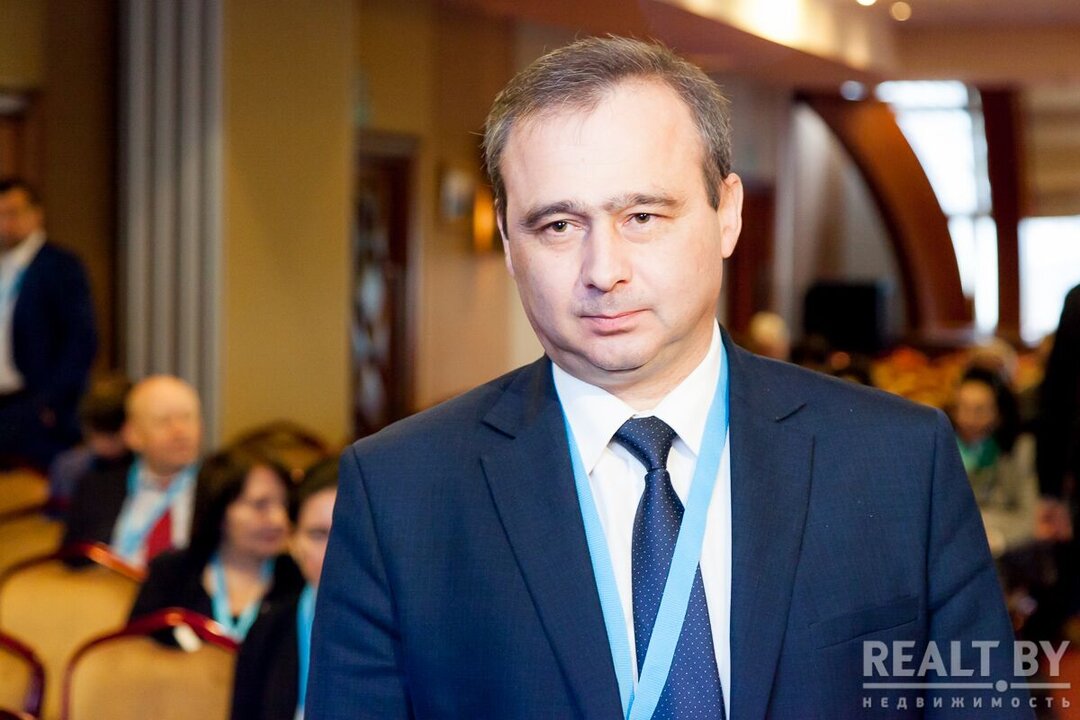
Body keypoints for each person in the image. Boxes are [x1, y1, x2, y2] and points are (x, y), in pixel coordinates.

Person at [308, 37, 1028, 718]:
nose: (603, 270)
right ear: (507, 240)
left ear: (727, 214)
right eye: (558, 226)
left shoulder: (896, 461)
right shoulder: (402, 494)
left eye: (642, 216)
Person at [129, 447, 302, 645]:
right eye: (260, 505)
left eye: (285, 505)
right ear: (219, 507)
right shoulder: (172, 573)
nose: (279, 520)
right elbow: (129, 652)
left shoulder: (297, 580)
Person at [0, 177, 97, 470]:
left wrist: (52, 402)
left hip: (35, 404)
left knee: (46, 483)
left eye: (12, 213)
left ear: (36, 214)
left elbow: (81, 340)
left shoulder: (60, 265)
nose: (5, 224)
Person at [231, 458, 338, 720]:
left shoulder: (399, 628)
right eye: (318, 535)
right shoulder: (267, 629)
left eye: (345, 533)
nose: (333, 551)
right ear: (293, 541)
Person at [63, 375, 201, 568]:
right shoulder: (95, 488)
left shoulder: (223, 491)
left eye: (187, 417)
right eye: (163, 421)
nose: (179, 431)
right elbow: (71, 564)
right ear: (133, 434)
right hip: (108, 584)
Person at [949, 366, 1038, 555]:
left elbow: (1030, 519)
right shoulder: (946, 447)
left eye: (979, 410)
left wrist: (997, 539)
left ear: (999, 413)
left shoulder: (1019, 449)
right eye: (963, 408)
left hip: (1005, 553)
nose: (969, 419)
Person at [47, 374, 133, 517]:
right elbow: (56, 520)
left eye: (111, 436)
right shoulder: (68, 469)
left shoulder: (147, 471)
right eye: (95, 436)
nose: (102, 444)